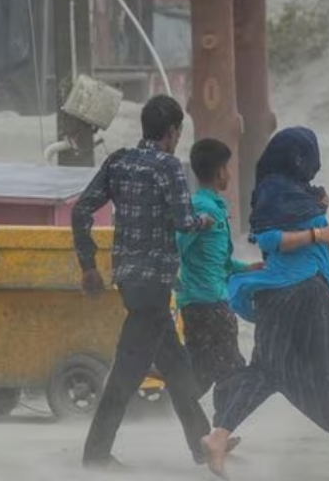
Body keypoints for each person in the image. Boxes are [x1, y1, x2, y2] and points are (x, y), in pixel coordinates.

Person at [201, 127, 329, 478]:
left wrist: (317, 211)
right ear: (298, 159)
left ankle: (218, 436)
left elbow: (274, 227)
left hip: (277, 296)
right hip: (308, 293)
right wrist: (319, 233)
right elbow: (273, 239)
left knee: (265, 371)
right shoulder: (282, 192)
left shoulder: (277, 190)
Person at [71, 94, 215, 469]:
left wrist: (88, 265)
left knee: (177, 365)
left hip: (128, 278)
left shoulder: (118, 160)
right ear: (173, 132)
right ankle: (96, 455)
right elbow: (185, 222)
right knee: (126, 373)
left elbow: (81, 209)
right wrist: (205, 222)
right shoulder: (168, 166)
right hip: (155, 281)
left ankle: (205, 445)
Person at [176, 138, 258, 398]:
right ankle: (222, 428)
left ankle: (207, 430)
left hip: (208, 300)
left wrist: (249, 268)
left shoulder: (216, 208)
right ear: (220, 171)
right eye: (228, 167)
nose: (231, 174)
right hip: (206, 303)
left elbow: (221, 263)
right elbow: (176, 247)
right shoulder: (201, 208)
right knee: (232, 370)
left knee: (200, 375)